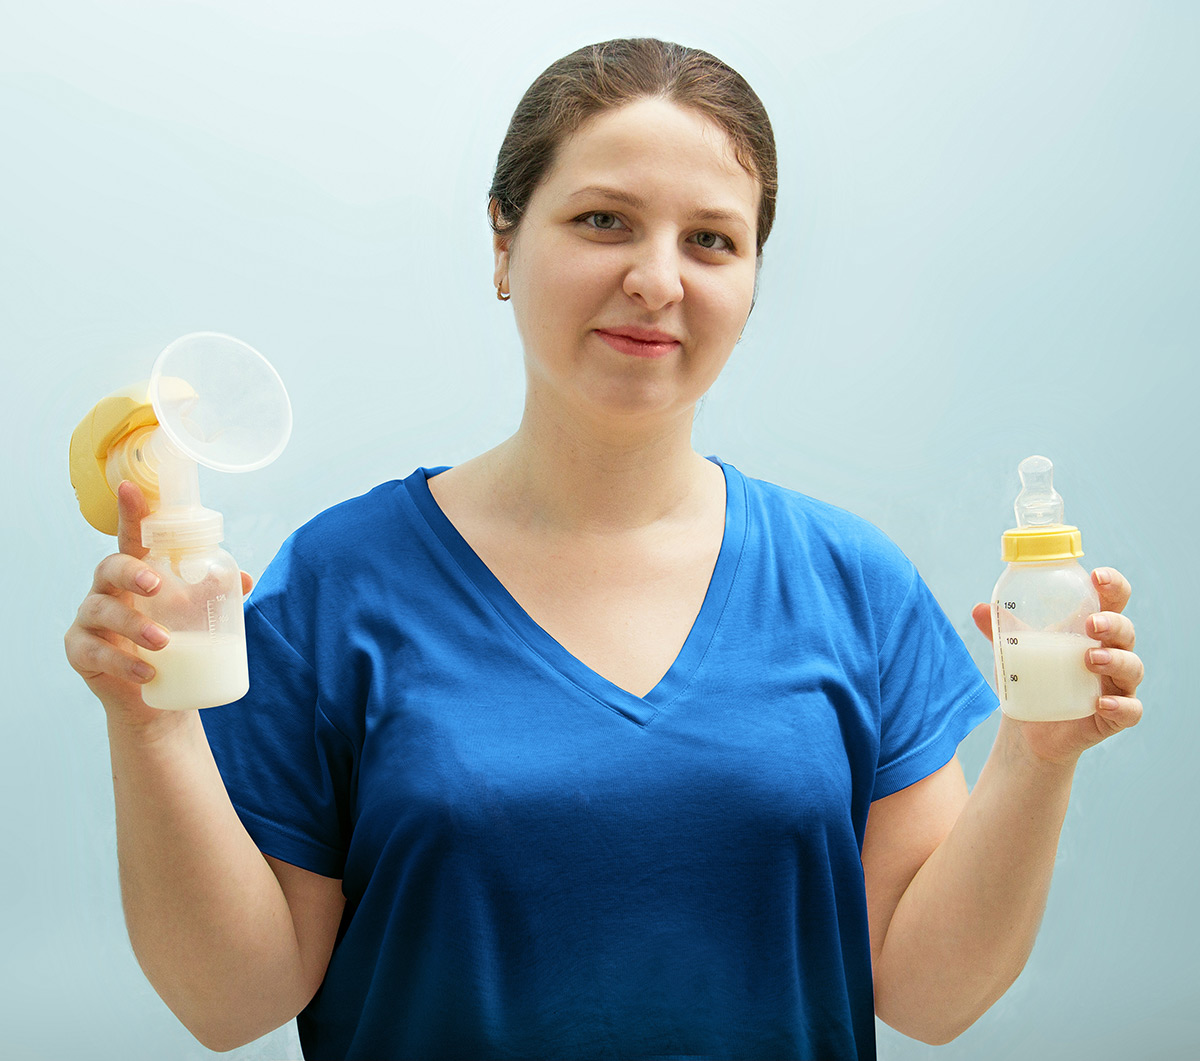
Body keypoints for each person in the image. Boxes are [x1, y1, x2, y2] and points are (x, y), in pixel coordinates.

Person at [64, 37, 1145, 1061]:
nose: (659, 279)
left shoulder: (852, 584)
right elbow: (230, 999)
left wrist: (1036, 758)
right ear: (503, 236)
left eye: (711, 239)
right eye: (603, 220)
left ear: (755, 276)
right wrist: (152, 727)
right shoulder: (340, 583)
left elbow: (927, 990)